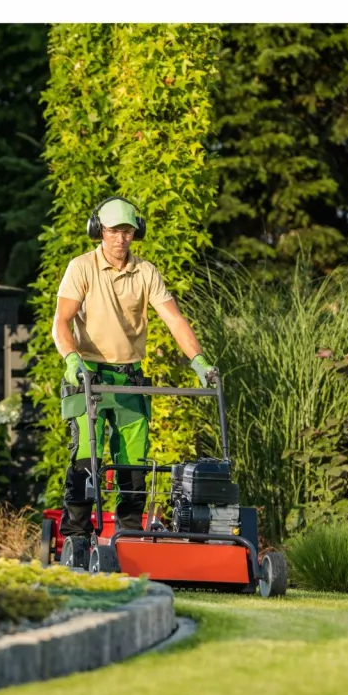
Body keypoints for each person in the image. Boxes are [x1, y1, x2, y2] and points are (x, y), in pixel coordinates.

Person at [51, 195, 219, 546]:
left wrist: (199, 361)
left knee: (134, 466)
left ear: (135, 233)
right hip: (89, 376)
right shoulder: (81, 267)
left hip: (129, 378)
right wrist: (70, 357)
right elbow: (62, 322)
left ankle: (128, 537)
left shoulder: (146, 272)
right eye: (113, 230)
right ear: (99, 231)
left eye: (127, 231)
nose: (120, 239)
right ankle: (76, 539)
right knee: (87, 460)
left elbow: (174, 319)